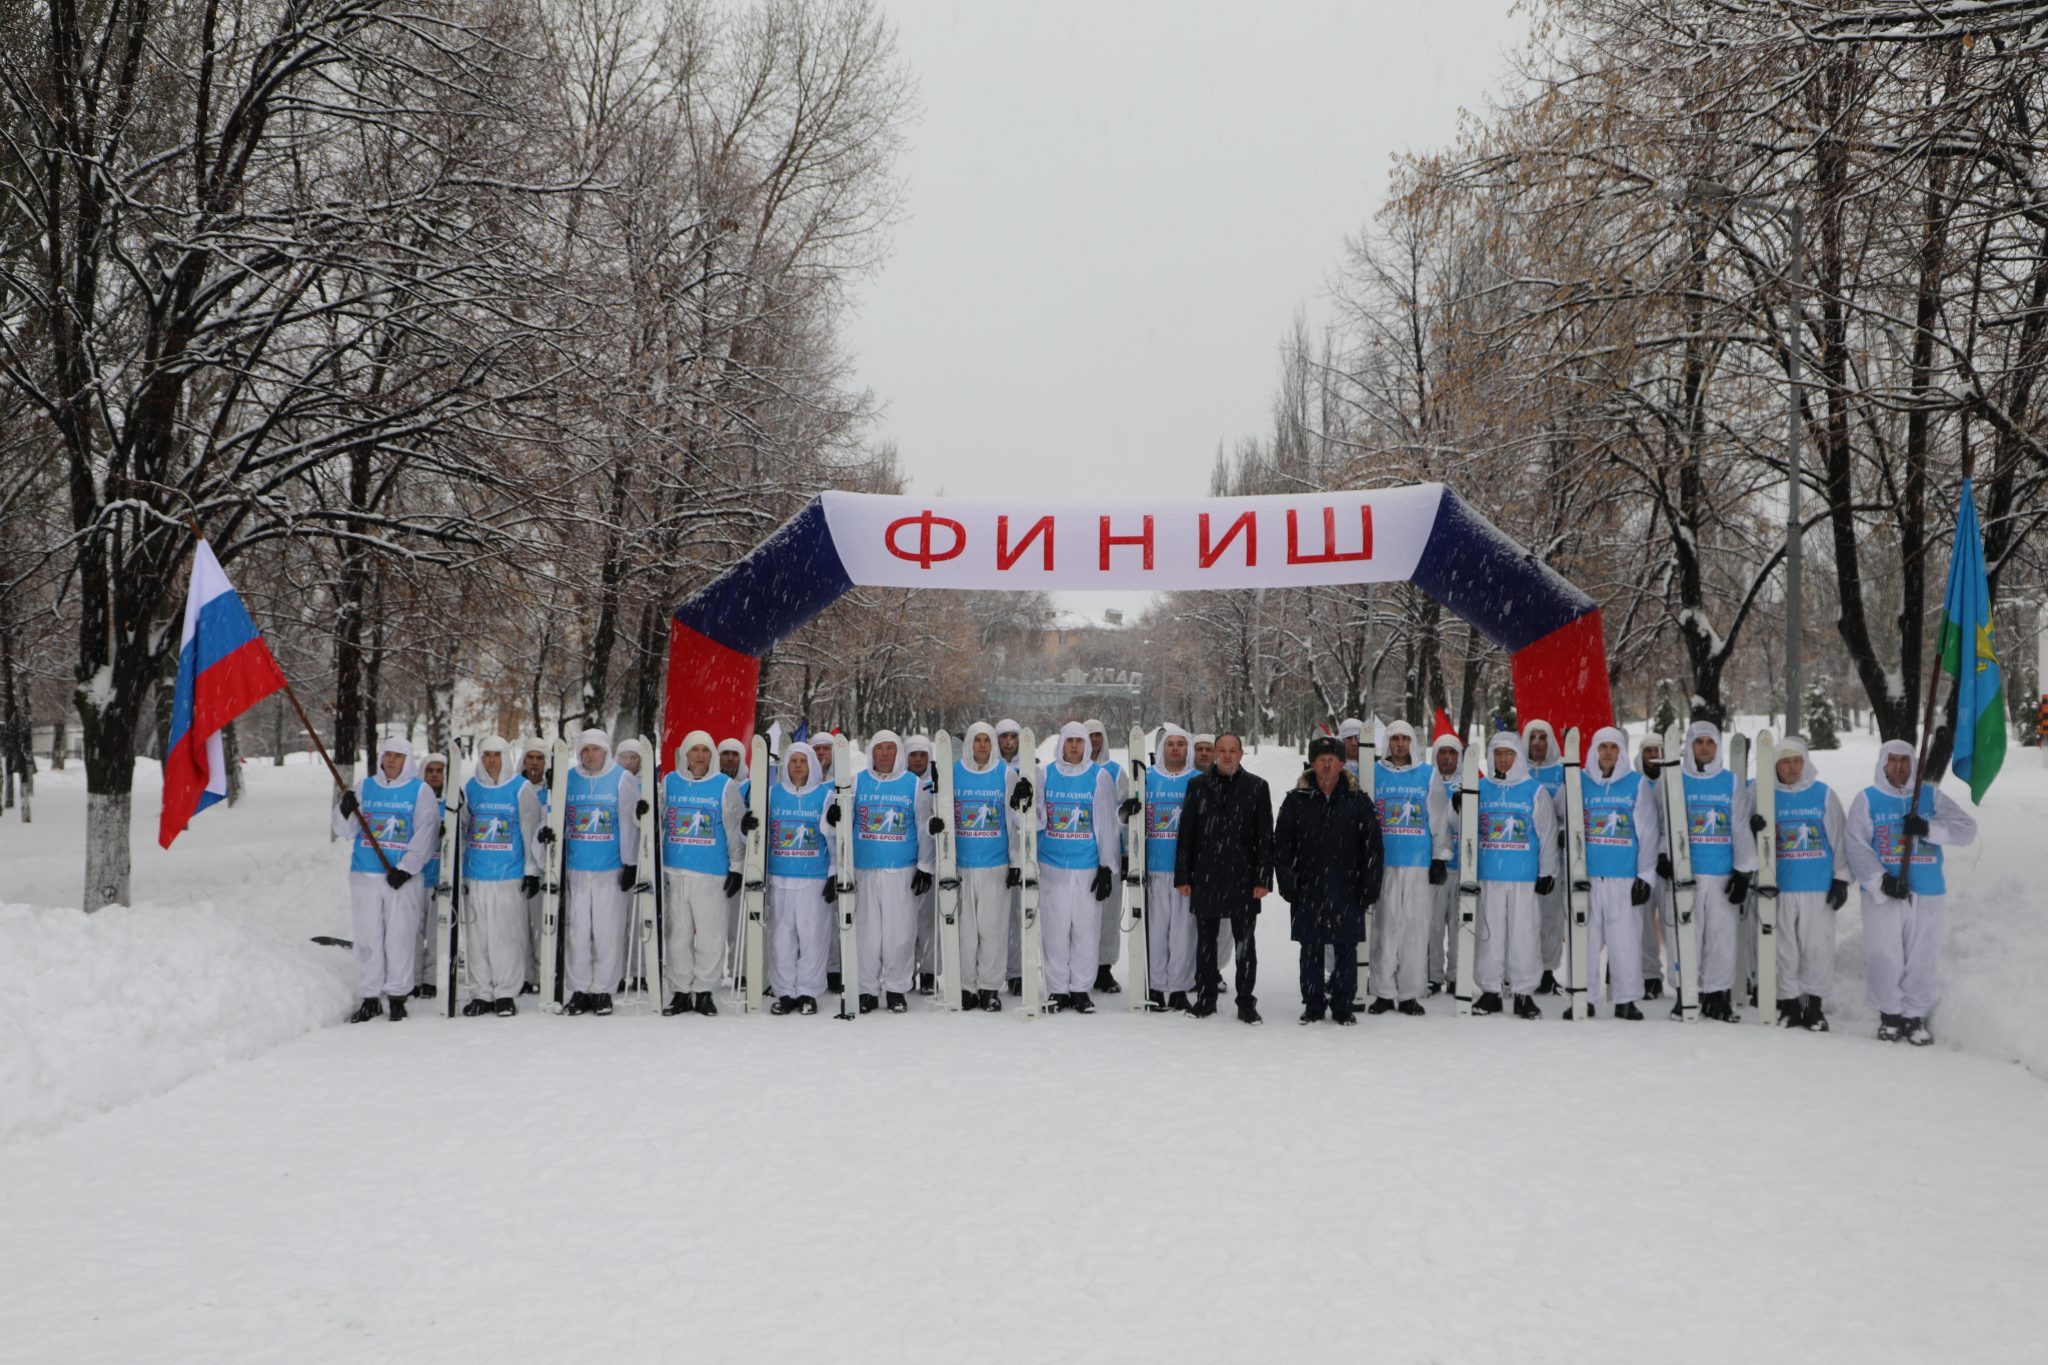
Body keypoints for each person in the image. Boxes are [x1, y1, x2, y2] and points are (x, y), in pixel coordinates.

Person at [1846, 739, 1979, 1046]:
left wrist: (1928, 828)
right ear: (1882, 764)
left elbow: (1967, 829)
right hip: (1886, 893)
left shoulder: (1929, 797)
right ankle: (1889, 1015)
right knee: (1884, 953)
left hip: (1928, 889)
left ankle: (1914, 1015)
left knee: (1924, 954)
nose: (1899, 767)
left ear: (1913, 764)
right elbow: (1855, 844)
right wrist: (1880, 881)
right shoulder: (1868, 799)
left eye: (1905, 760)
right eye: (1892, 760)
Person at [1274, 735, 1383, 1025]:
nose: (1326, 765)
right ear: (1312, 763)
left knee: (1346, 947)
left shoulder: (1357, 800)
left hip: (1348, 887)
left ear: (1342, 763)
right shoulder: (1296, 800)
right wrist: (1287, 882)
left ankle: (1343, 1005)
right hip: (1307, 887)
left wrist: (1370, 885)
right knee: (1311, 948)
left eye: (1332, 759)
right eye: (1321, 759)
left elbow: (1372, 845)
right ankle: (1313, 1004)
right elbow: (1281, 845)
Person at [332, 736, 442, 1023]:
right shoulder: (365, 787)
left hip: (400, 879)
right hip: (365, 873)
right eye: (388, 755)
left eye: (398, 756)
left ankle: (397, 995)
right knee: (368, 936)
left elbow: (426, 831)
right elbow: (345, 830)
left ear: (407, 761)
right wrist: (344, 809)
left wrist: (406, 868)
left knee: (400, 936)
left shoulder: (420, 791)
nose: (392, 761)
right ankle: (370, 995)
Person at [1174, 732, 1273, 1022]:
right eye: (1222, 750)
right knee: (1206, 942)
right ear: (1215, 753)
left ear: (1242, 754)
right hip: (1206, 876)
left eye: (1233, 750)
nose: (1227, 755)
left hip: (1243, 879)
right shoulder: (1198, 786)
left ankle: (1245, 1001)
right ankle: (1206, 998)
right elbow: (1187, 836)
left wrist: (1262, 878)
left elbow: (1265, 837)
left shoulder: (1256, 787)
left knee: (1245, 944)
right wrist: (1184, 876)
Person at [544, 728, 639, 1016]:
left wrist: (631, 863)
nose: (590, 755)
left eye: (595, 749)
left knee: (608, 931)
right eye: (585, 750)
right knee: (578, 932)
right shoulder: (569, 779)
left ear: (605, 751)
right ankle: (581, 989)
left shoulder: (622, 779)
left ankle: (604, 991)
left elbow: (630, 823)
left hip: (610, 868)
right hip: (577, 868)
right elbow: (551, 815)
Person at [1759, 736, 1850, 1032]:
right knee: (1785, 947)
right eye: (1785, 762)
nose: (1792, 767)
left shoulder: (1822, 794)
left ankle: (1814, 1005)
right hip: (1781, 886)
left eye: (1797, 761)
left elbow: (1839, 838)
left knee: (1817, 947)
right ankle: (1788, 1004)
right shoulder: (1764, 794)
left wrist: (1841, 879)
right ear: (1775, 765)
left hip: (1817, 885)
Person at [658, 729, 744, 1016]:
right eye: (695, 749)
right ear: (685, 753)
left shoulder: (723, 785)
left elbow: (733, 828)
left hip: (711, 873)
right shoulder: (670, 782)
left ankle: (704, 990)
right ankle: (681, 991)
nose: (700, 755)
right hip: (676, 870)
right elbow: (654, 819)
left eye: (706, 750)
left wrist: (737, 866)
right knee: (678, 935)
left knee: (710, 934)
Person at [849, 729, 934, 1014]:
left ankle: (897, 988)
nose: (885, 754)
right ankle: (867, 989)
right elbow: (842, 826)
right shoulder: (857, 783)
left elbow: (924, 827)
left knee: (900, 933)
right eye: (880, 748)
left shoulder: (913, 784)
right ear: (872, 751)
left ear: (898, 753)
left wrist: (925, 866)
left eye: (890, 748)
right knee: (867, 934)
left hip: (902, 870)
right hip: (865, 868)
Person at [1036, 721, 1119, 1013]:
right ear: (1062, 743)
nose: (1074, 746)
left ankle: (1081, 988)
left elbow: (1107, 823)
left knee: (1086, 929)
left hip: (1087, 867)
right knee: (1055, 930)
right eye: (1069, 741)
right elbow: (1034, 818)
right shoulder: (1044, 774)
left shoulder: (1099, 777)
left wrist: (1107, 866)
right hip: (1052, 866)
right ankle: (1057, 990)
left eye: (1079, 741)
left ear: (1087, 745)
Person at [1677, 720, 1756, 1022]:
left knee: (1722, 937)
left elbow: (1738, 824)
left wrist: (1743, 870)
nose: (1705, 748)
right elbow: (1665, 821)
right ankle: (1687, 993)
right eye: (1699, 742)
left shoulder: (1731, 782)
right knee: (1688, 935)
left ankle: (1717, 995)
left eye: (1710, 742)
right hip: (1689, 874)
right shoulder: (1678, 779)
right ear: (1691, 746)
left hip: (1722, 872)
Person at [459, 735, 544, 1017]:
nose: (491, 760)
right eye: (486, 755)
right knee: (477, 938)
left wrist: (532, 870)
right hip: (476, 873)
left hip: (509, 874)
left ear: (505, 757)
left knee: (506, 936)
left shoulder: (520, 788)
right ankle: (481, 993)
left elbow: (529, 830)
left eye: (496, 755)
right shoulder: (471, 788)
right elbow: (463, 828)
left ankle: (505, 992)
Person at [1474, 731, 1556, 1019]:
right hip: (1489, 875)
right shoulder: (1480, 788)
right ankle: (1490, 991)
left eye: (1509, 753)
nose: (1504, 759)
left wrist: (1548, 871)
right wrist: (1457, 807)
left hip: (1523, 877)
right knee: (1489, 935)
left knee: (1524, 935)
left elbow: (1546, 833)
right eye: (1498, 753)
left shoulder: (1533, 790)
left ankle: (1523, 993)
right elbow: (1458, 823)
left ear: (1517, 756)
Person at [1578, 727, 1659, 1020]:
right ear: (1594, 750)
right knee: (1586, 940)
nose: (1608, 753)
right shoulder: (1579, 782)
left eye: (1613, 747)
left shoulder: (1635, 785)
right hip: (1587, 878)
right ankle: (1583, 996)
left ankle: (1626, 999)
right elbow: (1560, 814)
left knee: (1624, 940)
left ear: (1621, 751)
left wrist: (1645, 875)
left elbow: (1648, 832)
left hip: (1624, 878)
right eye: (1603, 747)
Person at [1362, 721, 1433, 1015]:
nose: (1400, 744)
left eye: (1405, 739)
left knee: (1414, 929)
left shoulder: (1427, 775)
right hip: (1384, 863)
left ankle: (1409, 994)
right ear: (1387, 742)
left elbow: (1438, 815)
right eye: (1395, 739)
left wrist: (1440, 855)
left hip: (1417, 864)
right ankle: (1382, 991)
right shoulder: (1374, 773)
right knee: (1385, 928)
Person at [765, 742, 834, 1014]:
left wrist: (834, 874)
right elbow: (758, 836)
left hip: (813, 878)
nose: (797, 766)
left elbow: (832, 837)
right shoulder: (772, 795)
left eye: (802, 761)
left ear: (811, 766)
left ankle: (808, 991)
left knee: (813, 937)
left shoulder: (824, 795)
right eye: (793, 760)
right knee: (781, 938)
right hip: (780, 877)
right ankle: (784, 992)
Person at [1133, 724, 1199, 1010]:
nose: (1175, 749)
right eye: (1170, 744)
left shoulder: (1198, 780)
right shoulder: (1147, 778)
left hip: (1186, 871)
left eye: (1181, 744)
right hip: (1155, 868)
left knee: (1184, 932)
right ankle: (1157, 986)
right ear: (1162, 748)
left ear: (1188, 749)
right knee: (1157, 931)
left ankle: (1180, 987)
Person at [951, 721, 1014, 1010]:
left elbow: (1015, 822)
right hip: (962, 866)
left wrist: (1015, 861)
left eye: (986, 740)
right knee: (965, 931)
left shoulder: (1005, 774)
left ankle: (990, 987)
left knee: (992, 929)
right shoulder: (955, 773)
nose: (982, 746)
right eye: (977, 740)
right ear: (969, 743)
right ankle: (966, 986)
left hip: (995, 865)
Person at [1520, 718, 1567, 995]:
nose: (1537, 743)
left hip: (1552, 857)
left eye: (1542, 737)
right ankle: (1520, 967)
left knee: (1550, 915)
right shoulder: (1517, 767)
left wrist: (1560, 829)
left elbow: (1567, 809)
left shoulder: (1561, 772)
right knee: (1522, 915)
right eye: (1533, 737)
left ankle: (1548, 969)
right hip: (1519, 857)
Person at [1084, 719, 1125, 995]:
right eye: (1089, 736)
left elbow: (1124, 811)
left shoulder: (1115, 770)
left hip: (1109, 856)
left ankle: (1103, 969)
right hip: (1080, 855)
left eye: (1098, 735)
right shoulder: (1071, 771)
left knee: (1108, 914)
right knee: (1081, 916)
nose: (1094, 740)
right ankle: (1081, 969)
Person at [1424, 733, 1463, 995]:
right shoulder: (1427, 781)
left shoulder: (1470, 783)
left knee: (1459, 926)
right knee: (1433, 925)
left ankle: (1456, 975)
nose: (1447, 758)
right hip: (1435, 868)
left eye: (1452, 753)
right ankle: (1433, 975)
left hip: (1462, 866)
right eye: (1442, 752)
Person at [904, 734, 941, 994]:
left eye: (922, 755)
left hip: (930, 863)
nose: (918, 760)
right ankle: (905, 972)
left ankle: (927, 971)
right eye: (913, 755)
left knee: (928, 921)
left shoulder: (935, 784)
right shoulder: (899, 784)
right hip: (903, 863)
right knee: (904, 922)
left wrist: (928, 864)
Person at [1635, 735, 1670, 999]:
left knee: (1671, 924)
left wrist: (1665, 852)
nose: (1653, 755)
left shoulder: (1674, 781)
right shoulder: (1633, 783)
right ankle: (1649, 976)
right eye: (1648, 751)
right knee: (1644, 925)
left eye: (1657, 750)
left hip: (1668, 866)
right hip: (1641, 866)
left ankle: (1679, 975)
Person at [994, 718, 1026, 995]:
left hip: (1018, 855)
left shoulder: (1028, 769)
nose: (1008, 742)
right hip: (990, 854)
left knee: (1016, 916)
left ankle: (1016, 971)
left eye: (1012, 736)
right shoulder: (988, 769)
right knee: (992, 919)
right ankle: (993, 970)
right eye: (1003, 736)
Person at [415, 751, 450, 998]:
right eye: (430, 771)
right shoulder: (414, 800)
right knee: (411, 931)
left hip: (440, 879)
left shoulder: (452, 803)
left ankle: (431, 977)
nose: (435, 775)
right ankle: (412, 977)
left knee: (437, 933)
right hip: (415, 877)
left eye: (439, 771)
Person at [519, 737, 551, 994]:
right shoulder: (515, 787)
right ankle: (524, 974)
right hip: (515, 866)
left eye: (539, 758)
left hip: (543, 869)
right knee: (519, 926)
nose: (534, 763)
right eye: (530, 757)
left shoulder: (552, 789)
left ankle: (544, 971)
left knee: (543, 924)